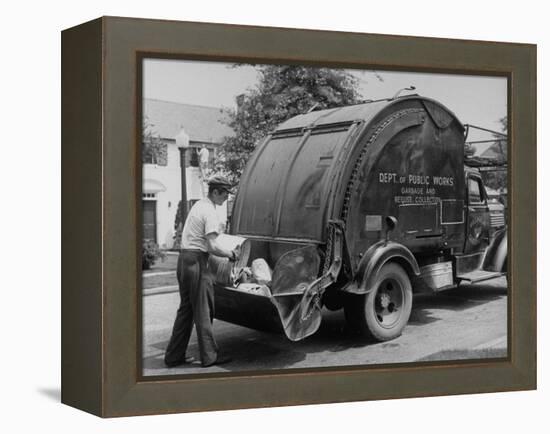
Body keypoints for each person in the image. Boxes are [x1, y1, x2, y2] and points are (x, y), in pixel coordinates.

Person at [164, 175, 239, 368]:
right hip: (197, 262)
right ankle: (209, 356)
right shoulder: (209, 211)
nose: (226, 199)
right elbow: (212, 245)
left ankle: (173, 356)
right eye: (224, 194)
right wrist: (231, 253)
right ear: (215, 192)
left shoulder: (198, 206)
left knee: (186, 311)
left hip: (184, 261)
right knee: (204, 310)